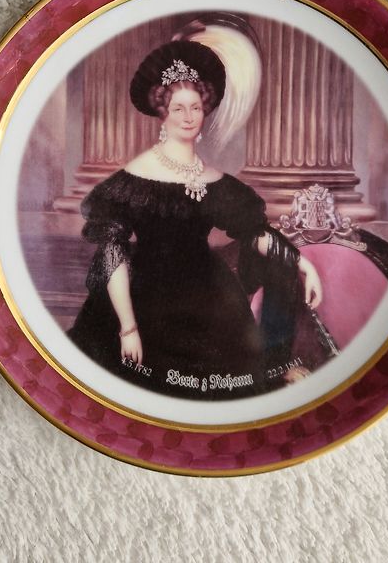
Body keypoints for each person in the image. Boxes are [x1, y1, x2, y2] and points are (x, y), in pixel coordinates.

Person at [68, 40, 338, 400]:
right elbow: (112, 255)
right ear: (163, 112)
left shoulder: (214, 179)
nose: (188, 117)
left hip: (210, 295)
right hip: (148, 295)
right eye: (178, 108)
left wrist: (301, 263)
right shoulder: (134, 178)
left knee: (231, 386)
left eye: (195, 107)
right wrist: (128, 328)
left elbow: (253, 232)